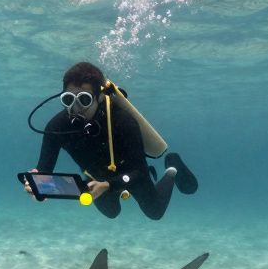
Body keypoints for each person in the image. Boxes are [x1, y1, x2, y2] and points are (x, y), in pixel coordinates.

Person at [28, 61, 197, 220]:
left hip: (131, 172)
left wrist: (109, 185)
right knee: (111, 212)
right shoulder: (56, 127)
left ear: (100, 97)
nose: (75, 108)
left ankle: (172, 167)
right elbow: (44, 171)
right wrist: (37, 188)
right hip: (97, 177)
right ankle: (113, 188)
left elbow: (139, 172)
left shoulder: (122, 121)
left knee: (154, 212)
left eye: (84, 100)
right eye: (68, 99)